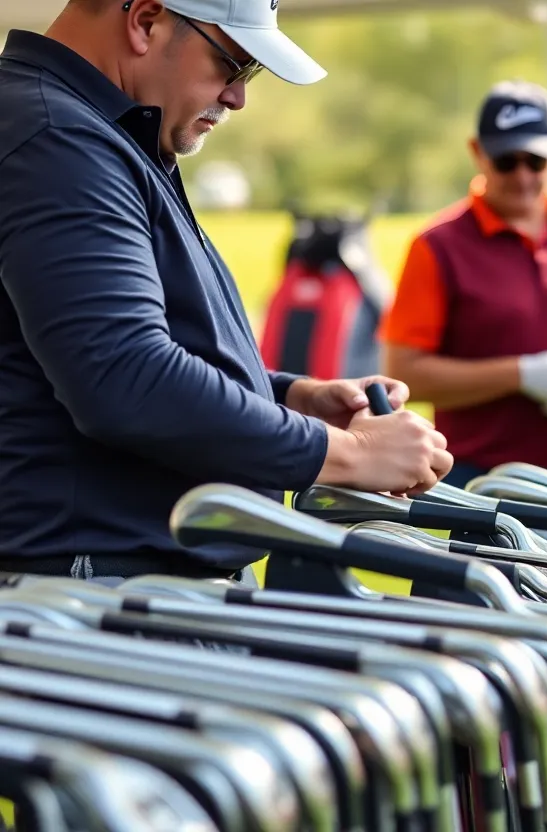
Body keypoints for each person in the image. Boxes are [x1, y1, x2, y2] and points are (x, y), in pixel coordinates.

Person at [0, 0, 453, 585]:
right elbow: (125, 377)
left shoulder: (93, 131)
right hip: (103, 591)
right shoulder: (59, 139)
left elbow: (127, 353)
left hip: (129, 584)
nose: (238, 96)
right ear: (144, 19)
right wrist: (350, 454)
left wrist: (291, 398)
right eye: (232, 64)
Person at [380, 80, 547, 489]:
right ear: (477, 152)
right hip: (484, 479)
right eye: (507, 161)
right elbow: (406, 373)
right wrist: (521, 375)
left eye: (536, 161)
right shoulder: (437, 246)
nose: (523, 176)